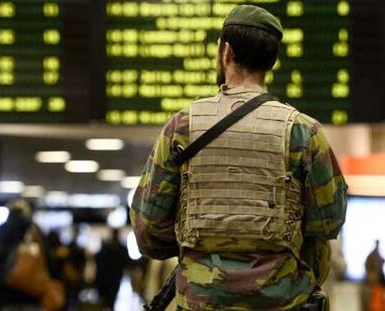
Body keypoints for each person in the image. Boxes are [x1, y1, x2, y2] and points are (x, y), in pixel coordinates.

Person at [130, 5, 347, 310]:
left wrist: (196, 247)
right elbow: (329, 220)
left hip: (201, 301)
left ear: (227, 52)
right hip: (284, 301)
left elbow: (146, 228)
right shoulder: (304, 131)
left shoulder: (181, 128)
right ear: (272, 60)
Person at [95, 229, 129, 310]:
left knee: (107, 301)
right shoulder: (119, 248)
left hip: (110, 279)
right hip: (111, 279)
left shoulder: (112, 247)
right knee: (108, 301)